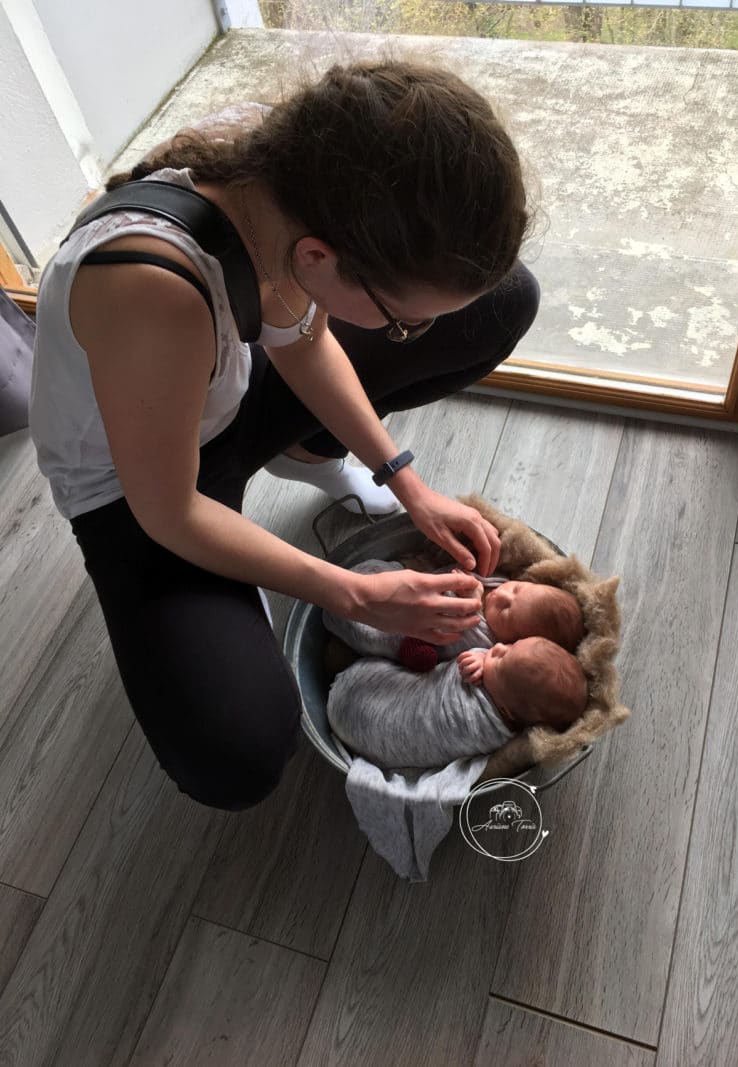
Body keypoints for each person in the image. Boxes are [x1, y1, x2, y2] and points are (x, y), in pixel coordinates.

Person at [27, 59, 542, 812]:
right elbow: (169, 511)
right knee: (237, 752)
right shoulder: (153, 289)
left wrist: (407, 481)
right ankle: (216, 582)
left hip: (222, 389)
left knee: (504, 299)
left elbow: (300, 337)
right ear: (317, 259)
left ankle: (305, 451)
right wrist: (356, 593)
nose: (414, 336)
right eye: (405, 320)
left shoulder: (296, 173)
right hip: (138, 487)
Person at [325, 636, 588, 770]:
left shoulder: (479, 716)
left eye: (500, 659)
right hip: (358, 734)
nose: (496, 647)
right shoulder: (510, 714)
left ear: (506, 710)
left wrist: (479, 658)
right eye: (510, 644)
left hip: (358, 688)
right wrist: (494, 666)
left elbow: (456, 666)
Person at [321, 558, 585, 660]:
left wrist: (470, 599)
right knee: (381, 573)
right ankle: (340, 588)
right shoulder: (500, 582)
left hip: (403, 635)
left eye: (506, 611)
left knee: (373, 639)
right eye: (517, 589)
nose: (502, 595)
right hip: (396, 588)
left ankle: (339, 616)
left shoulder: (488, 643)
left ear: (511, 641)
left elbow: (460, 637)